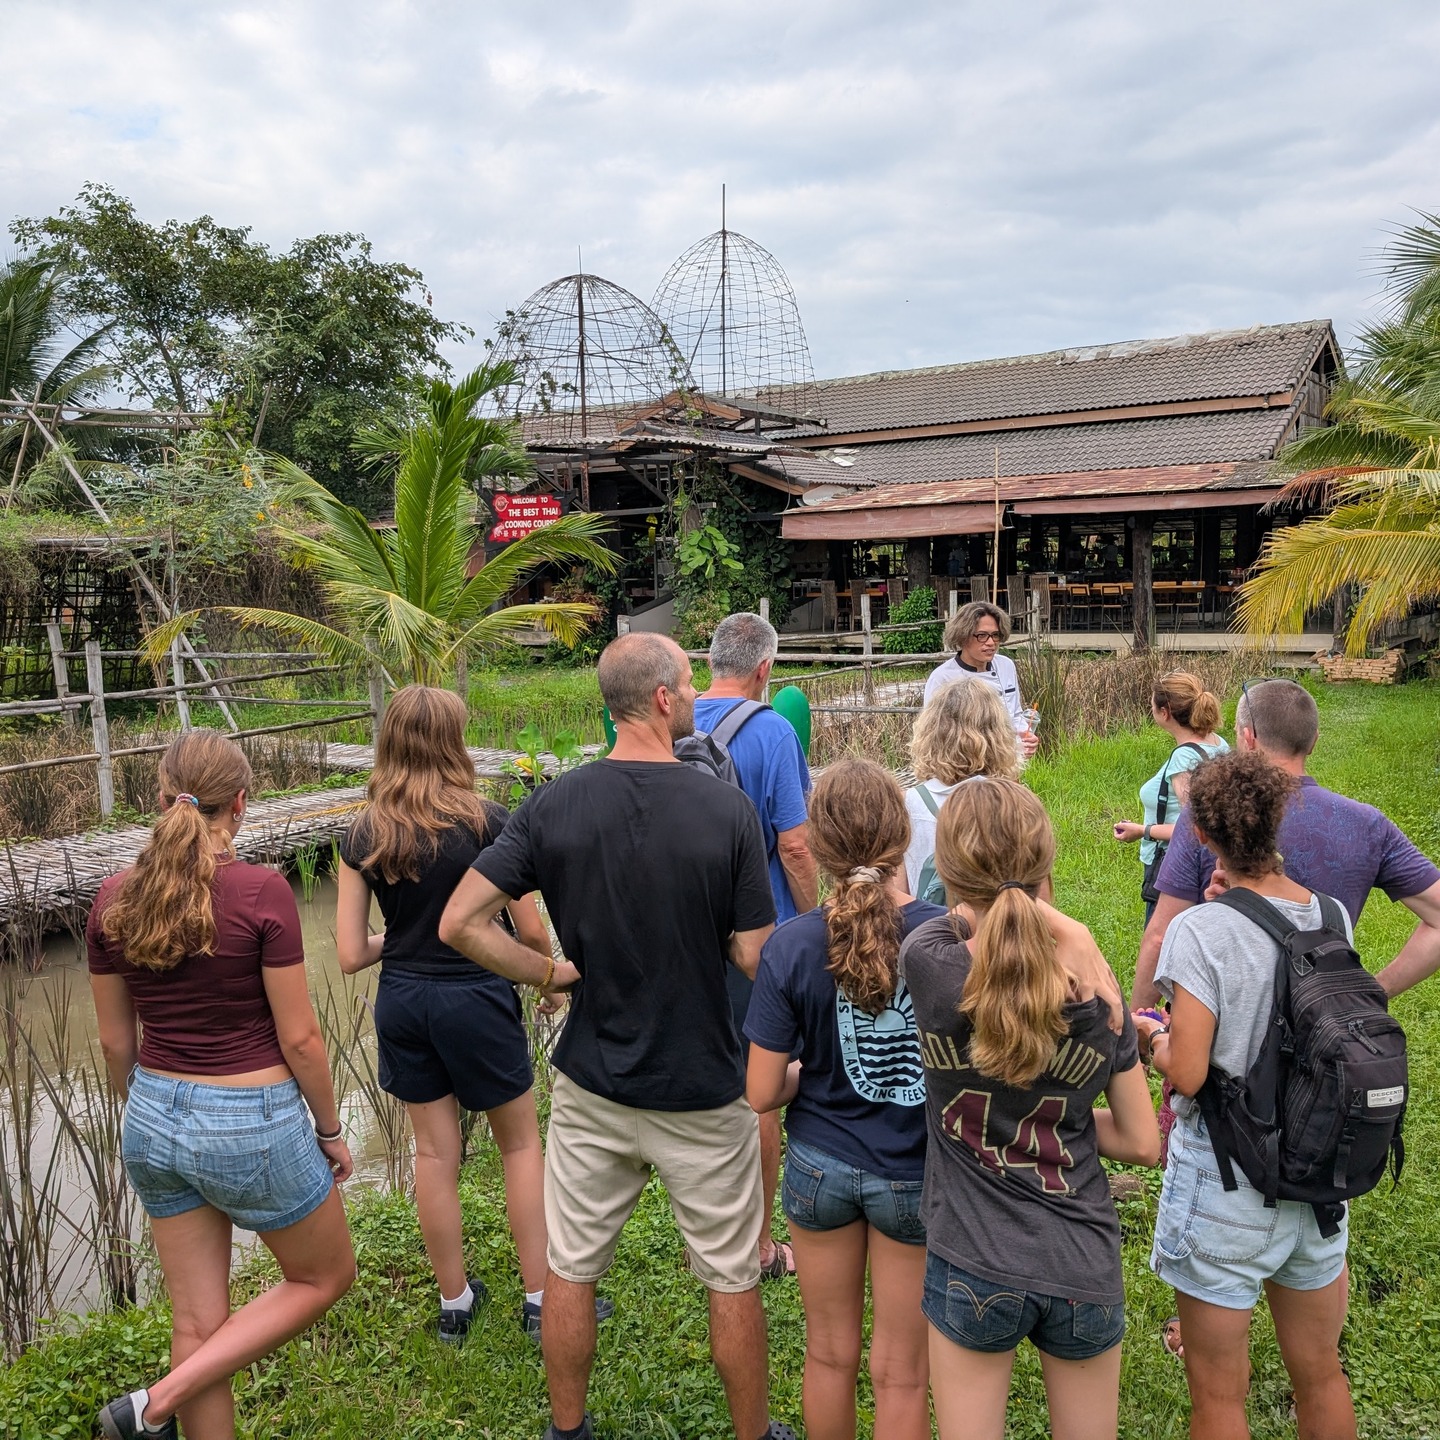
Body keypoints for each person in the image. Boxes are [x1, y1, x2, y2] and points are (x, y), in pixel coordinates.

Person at [439, 632, 794, 1440]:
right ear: (666, 699)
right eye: (689, 688)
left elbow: (461, 920)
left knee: (571, 1267)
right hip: (705, 1086)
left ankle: (568, 1430)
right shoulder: (727, 809)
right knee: (732, 1276)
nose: (698, 699)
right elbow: (752, 953)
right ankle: (753, 1433)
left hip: (593, 1081)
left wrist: (545, 972)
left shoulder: (555, 802)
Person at [88, 732, 355, 1440]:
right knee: (324, 1277)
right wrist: (329, 1130)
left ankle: (161, 1404)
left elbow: (118, 1042)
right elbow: (300, 1038)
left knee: (196, 1321)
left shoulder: (112, 898)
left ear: (159, 798)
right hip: (250, 1119)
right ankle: (154, 1404)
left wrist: (146, 1114)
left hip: (151, 1112)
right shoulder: (262, 891)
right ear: (242, 803)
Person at [335, 685, 597, 1342]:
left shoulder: (364, 831)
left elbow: (347, 951)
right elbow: (530, 928)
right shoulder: (489, 822)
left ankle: (454, 1302)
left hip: (403, 1000)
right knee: (519, 1144)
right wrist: (549, 983)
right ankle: (540, 1296)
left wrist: (403, 939)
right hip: (475, 997)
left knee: (433, 1154)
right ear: (453, 742)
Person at [902, 777, 1160, 1440]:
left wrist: (1009, 903)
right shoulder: (1099, 1002)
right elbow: (1140, 1142)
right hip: (1080, 1260)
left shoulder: (930, 970)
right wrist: (1075, 936)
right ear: (1047, 869)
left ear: (950, 876)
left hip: (972, 1259)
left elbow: (948, 923)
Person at [1137, 752, 1357, 1440]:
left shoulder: (1199, 931)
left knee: (1221, 1398)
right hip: (1318, 1178)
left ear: (1200, 836)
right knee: (1320, 1373)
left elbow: (1193, 1071)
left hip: (1228, 1180)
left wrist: (1152, 1041)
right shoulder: (1329, 915)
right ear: (1278, 820)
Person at [746, 759, 943, 1440]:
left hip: (820, 1169)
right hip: (915, 1173)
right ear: (903, 838)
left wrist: (814, 1075)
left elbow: (762, 1092)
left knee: (829, 1354)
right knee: (902, 1371)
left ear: (820, 846)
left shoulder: (791, 945)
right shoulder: (946, 935)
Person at [1132, 677, 1440, 1012]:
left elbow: (1160, 936)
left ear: (1248, 739)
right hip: (1325, 1033)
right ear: (1314, 742)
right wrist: (1370, 992)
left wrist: (1138, 1031)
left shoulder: (1209, 815)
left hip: (1222, 1033)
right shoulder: (1367, 824)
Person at [697, 612, 818, 1280]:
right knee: (760, 1088)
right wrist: (814, 923)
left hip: (680, 935)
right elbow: (795, 843)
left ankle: (702, 1222)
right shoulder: (771, 730)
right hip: (756, 936)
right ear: (765, 669)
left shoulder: (666, 719)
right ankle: (761, 1242)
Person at [1111, 671, 1228, 925]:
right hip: (1214, 860)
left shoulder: (1183, 759)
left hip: (1178, 864)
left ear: (1165, 712)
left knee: (1161, 939)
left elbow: (1193, 828)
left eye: (1152, 703)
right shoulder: (1218, 744)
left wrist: (1142, 830)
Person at [903, 676, 1022, 900]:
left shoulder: (906, 804)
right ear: (997, 734)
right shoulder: (1013, 802)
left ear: (930, 732)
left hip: (926, 928)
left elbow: (899, 894)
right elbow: (1037, 893)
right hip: (994, 927)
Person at [921, 601, 1038, 759]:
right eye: (982, 636)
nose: (990, 643)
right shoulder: (942, 677)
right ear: (963, 637)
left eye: (995, 635)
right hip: (964, 763)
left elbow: (1015, 714)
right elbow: (933, 732)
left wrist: (1026, 736)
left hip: (1007, 760)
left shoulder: (1006, 666)